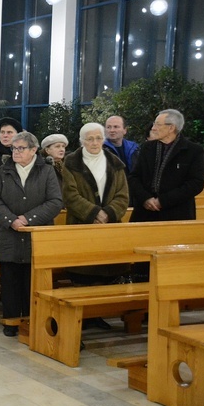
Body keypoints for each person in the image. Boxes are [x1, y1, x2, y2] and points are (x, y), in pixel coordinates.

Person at [0, 131, 62, 337]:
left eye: (21, 148)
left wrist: (28, 219)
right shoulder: (4, 170)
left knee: (31, 280)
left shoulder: (46, 171)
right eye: (14, 148)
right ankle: (10, 321)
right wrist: (11, 220)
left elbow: (55, 201)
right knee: (10, 280)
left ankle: (32, 320)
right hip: (8, 235)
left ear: (33, 150)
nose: (16, 152)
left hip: (36, 235)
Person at [61, 123, 129, 328]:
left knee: (105, 269)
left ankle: (97, 314)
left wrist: (108, 213)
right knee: (83, 271)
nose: (94, 142)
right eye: (89, 139)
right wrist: (93, 213)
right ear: (82, 141)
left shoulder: (115, 163)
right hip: (81, 225)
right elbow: (70, 195)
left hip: (109, 227)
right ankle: (83, 317)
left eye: (98, 138)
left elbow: (123, 196)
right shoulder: (70, 163)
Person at [129, 109, 204, 223]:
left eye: (157, 124)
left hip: (177, 214)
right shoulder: (147, 148)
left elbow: (196, 183)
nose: (153, 128)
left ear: (171, 128)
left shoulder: (193, 151)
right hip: (144, 213)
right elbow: (134, 177)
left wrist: (162, 201)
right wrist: (145, 198)